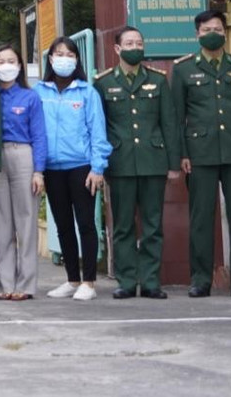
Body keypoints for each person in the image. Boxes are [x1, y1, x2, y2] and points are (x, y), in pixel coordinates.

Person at [170, 9, 231, 299]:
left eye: (219, 28)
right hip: (200, 154)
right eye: (207, 29)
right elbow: (177, 117)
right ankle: (200, 279)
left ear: (225, 32)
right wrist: (182, 154)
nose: (214, 33)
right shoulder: (184, 69)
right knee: (201, 219)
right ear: (197, 34)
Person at [94, 27, 179, 300]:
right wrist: (101, 163)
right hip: (119, 164)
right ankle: (127, 280)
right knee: (123, 225)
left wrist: (173, 163)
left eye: (139, 43)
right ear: (117, 49)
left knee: (153, 225)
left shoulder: (158, 79)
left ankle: (151, 281)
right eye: (129, 43)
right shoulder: (103, 82)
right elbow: (100, 127)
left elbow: (169, 123)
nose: (135, 47)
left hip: (153, 161)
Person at [34, 37, 111, 302]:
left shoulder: (87, 92)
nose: (64, 58)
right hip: (52, 168)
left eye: (69, 54)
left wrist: (98, 167)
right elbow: (34, 131)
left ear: (76, 60)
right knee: (63, 226)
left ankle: (89, 282)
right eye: (58, 54)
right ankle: (71, 279)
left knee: (86, 223)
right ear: (50, 59)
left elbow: (98, 132)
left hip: (81, 167)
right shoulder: (39, 92)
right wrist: (38, 168)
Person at [0, 44, 46, 301]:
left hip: (23, 154)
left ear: (20, 66)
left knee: (26, 221)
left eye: (11, 60)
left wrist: (38, 171)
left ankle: (26, 284)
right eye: (0, 62)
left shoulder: (30, 96)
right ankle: (6, 283)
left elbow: (39, 135)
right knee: (1, 223)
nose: (5, 66)